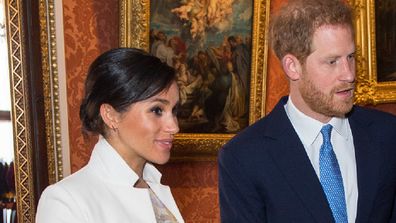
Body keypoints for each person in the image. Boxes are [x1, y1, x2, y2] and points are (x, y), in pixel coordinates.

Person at [218, 0, 396, 222]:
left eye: (350, 57)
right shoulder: (243, 157)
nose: (349, 75)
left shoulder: (388, 134)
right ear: (293, 66)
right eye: (332, 61)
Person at [36, 48, 184, 223]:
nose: (174, 127)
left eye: (174, 110)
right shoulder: (66, 201)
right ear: (110, 115)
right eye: (157, 110)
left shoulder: (154, 187)